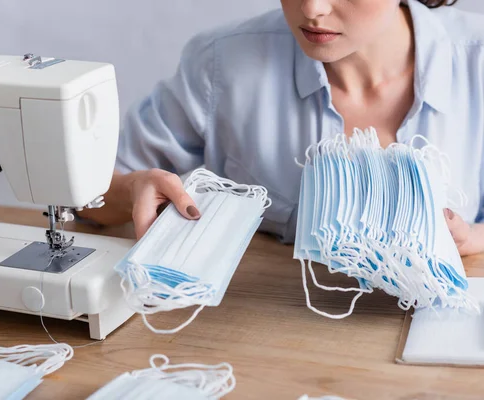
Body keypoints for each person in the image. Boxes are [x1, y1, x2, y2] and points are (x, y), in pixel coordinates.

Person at [79, 0, 484, 256]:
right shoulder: (222, 63)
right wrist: (131, 189)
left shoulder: (476, 60)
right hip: (266, 330)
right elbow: (85, 198)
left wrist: (473, 240)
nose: (312, 9)